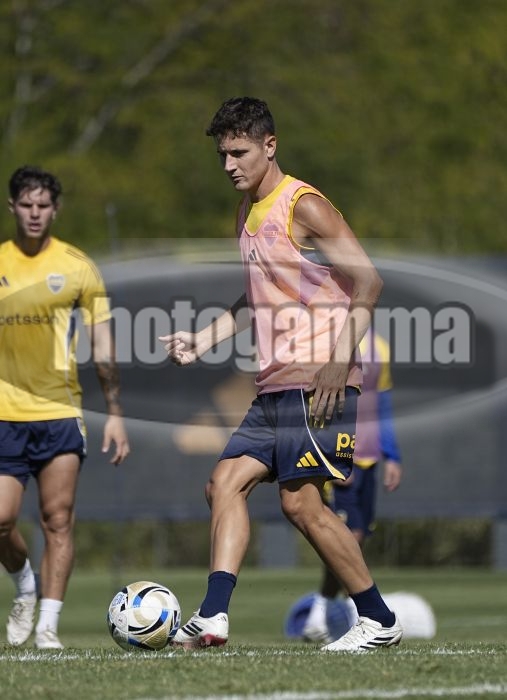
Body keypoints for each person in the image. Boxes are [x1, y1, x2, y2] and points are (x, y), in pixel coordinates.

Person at [160, 97, 402, 652]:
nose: (229, 165)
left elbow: (369, 282)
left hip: (318, 379)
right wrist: (203, 339)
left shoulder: (304, 205)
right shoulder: (245, 213)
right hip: (273, 384)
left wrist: (338, 361)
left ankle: (378, 620)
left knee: (300, 505)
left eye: (239, 153)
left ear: (270, 146)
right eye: (222, 155)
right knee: (222, 484)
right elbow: (255, 296)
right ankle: (213, 617)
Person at [0, 165, 130, 649]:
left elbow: (104, 347)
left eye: (43, 205)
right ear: (12, 207)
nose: (34, 213)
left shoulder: (77, 266)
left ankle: (48, 628)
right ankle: (25, 586)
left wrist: (115, 413)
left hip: (59, 414)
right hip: (4, 414)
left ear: (56, 209)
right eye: (26, 205)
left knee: (58, 519)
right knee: (1, 520)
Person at [302, 329, 403, 643]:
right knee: (350, 536)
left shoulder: (380, 347)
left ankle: (320, 614)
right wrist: (335, 457)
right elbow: (318, 402)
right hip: (342, 457)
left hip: (370, 460)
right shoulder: (328, 343)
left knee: (354, 541)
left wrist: (392, 455)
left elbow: (381, 404)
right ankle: (359, 614)